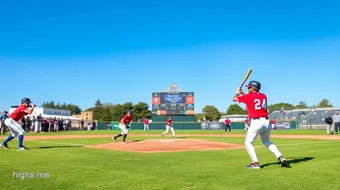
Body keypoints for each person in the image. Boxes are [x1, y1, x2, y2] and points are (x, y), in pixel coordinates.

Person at [233, 81, 288, 169]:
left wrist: (237, 93)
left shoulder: (248, 97)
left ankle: (255, 163)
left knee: (248, 143)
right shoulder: (264, 96)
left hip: (256, 122)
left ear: (253, 88)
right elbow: (251, 98)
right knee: (267, 142)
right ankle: (281, 157)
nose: (248, 89)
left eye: (249, 87)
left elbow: (234, 99)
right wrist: (242, 93)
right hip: (266, 122)